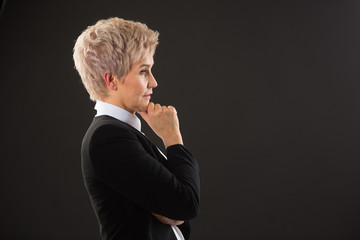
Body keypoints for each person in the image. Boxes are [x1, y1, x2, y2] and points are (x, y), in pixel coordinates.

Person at [73, 17, 200, 240]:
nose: (153, 82)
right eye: (143, 71)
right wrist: (173, 138)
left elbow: (178, 209)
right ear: (112, 80)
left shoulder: (123, 132)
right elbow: (185, 204)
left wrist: (172, 207)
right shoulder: (107, 138)